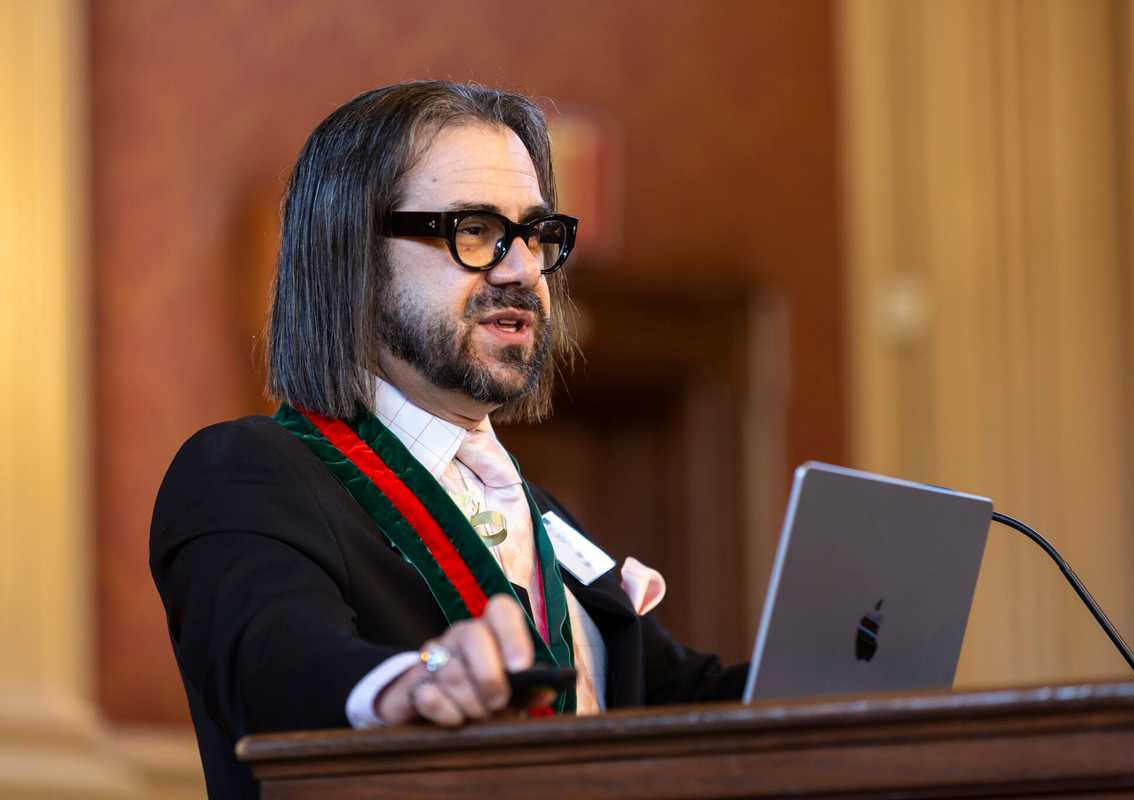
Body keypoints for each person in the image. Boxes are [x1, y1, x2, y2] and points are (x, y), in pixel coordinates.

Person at [150, 81, 746, 799]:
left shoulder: (546, 518)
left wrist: (863, 647)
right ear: (353, 258)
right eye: (475, 230)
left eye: (536, 234)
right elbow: (277, 657)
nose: (522, 270)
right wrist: (415, 684)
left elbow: (690, 702)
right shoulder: (247, 474)